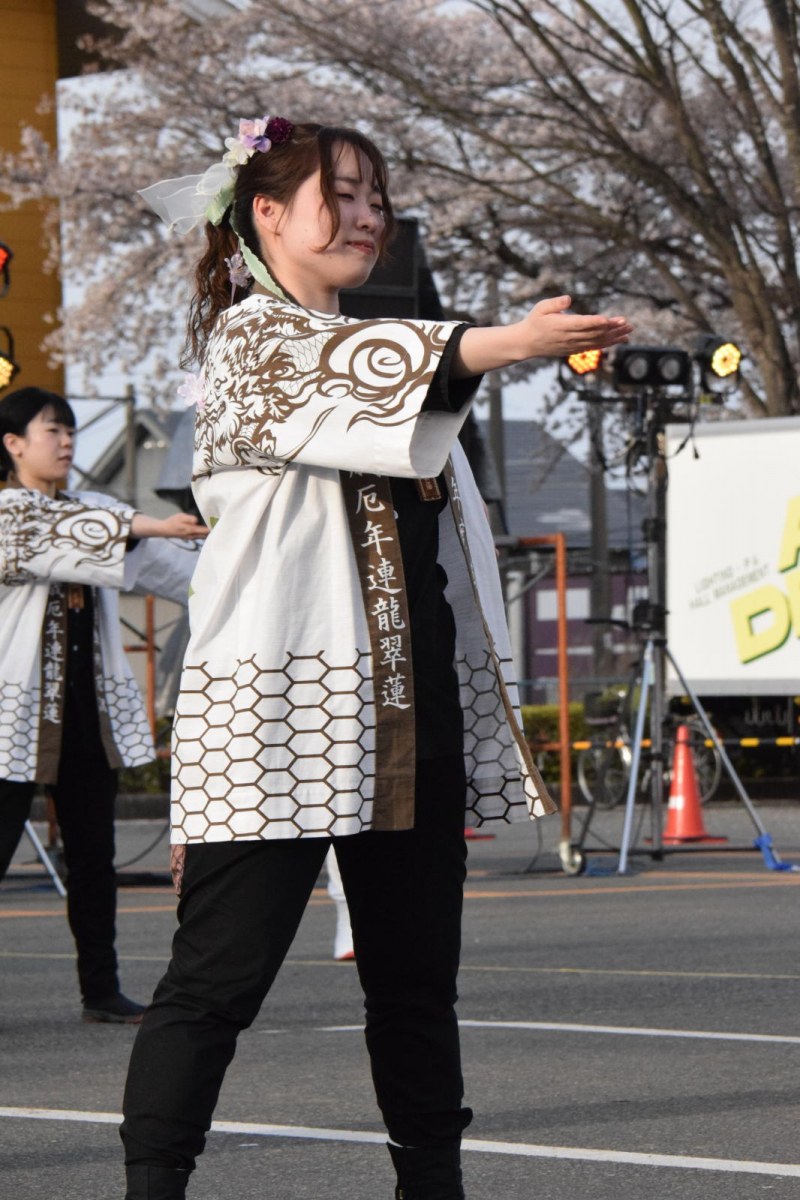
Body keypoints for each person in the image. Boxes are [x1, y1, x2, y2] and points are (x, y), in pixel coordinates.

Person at [121, 117, 631, 1199]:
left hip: (408, 718)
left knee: (414, 989)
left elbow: (393, 391)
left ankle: (431, 1184)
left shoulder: (381, 359)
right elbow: (359, 370)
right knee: (215, 986)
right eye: (340, 195)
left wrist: (492, 349)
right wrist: (504, 342)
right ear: (266, 213)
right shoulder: (251, 344)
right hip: (278, 719)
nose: (366, 217)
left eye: (376, 199)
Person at [0, 387, 208, 1022]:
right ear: (12, 444)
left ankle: (101, 991)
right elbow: (54, 535)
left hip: (86, 718)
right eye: (52, 430)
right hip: (12, 716)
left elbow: (178, 570)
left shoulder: (98, 510)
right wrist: (147, 524)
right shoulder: (9, 512)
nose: (67, 441)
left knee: (94, 860)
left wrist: (225, 557)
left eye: (71, 431)